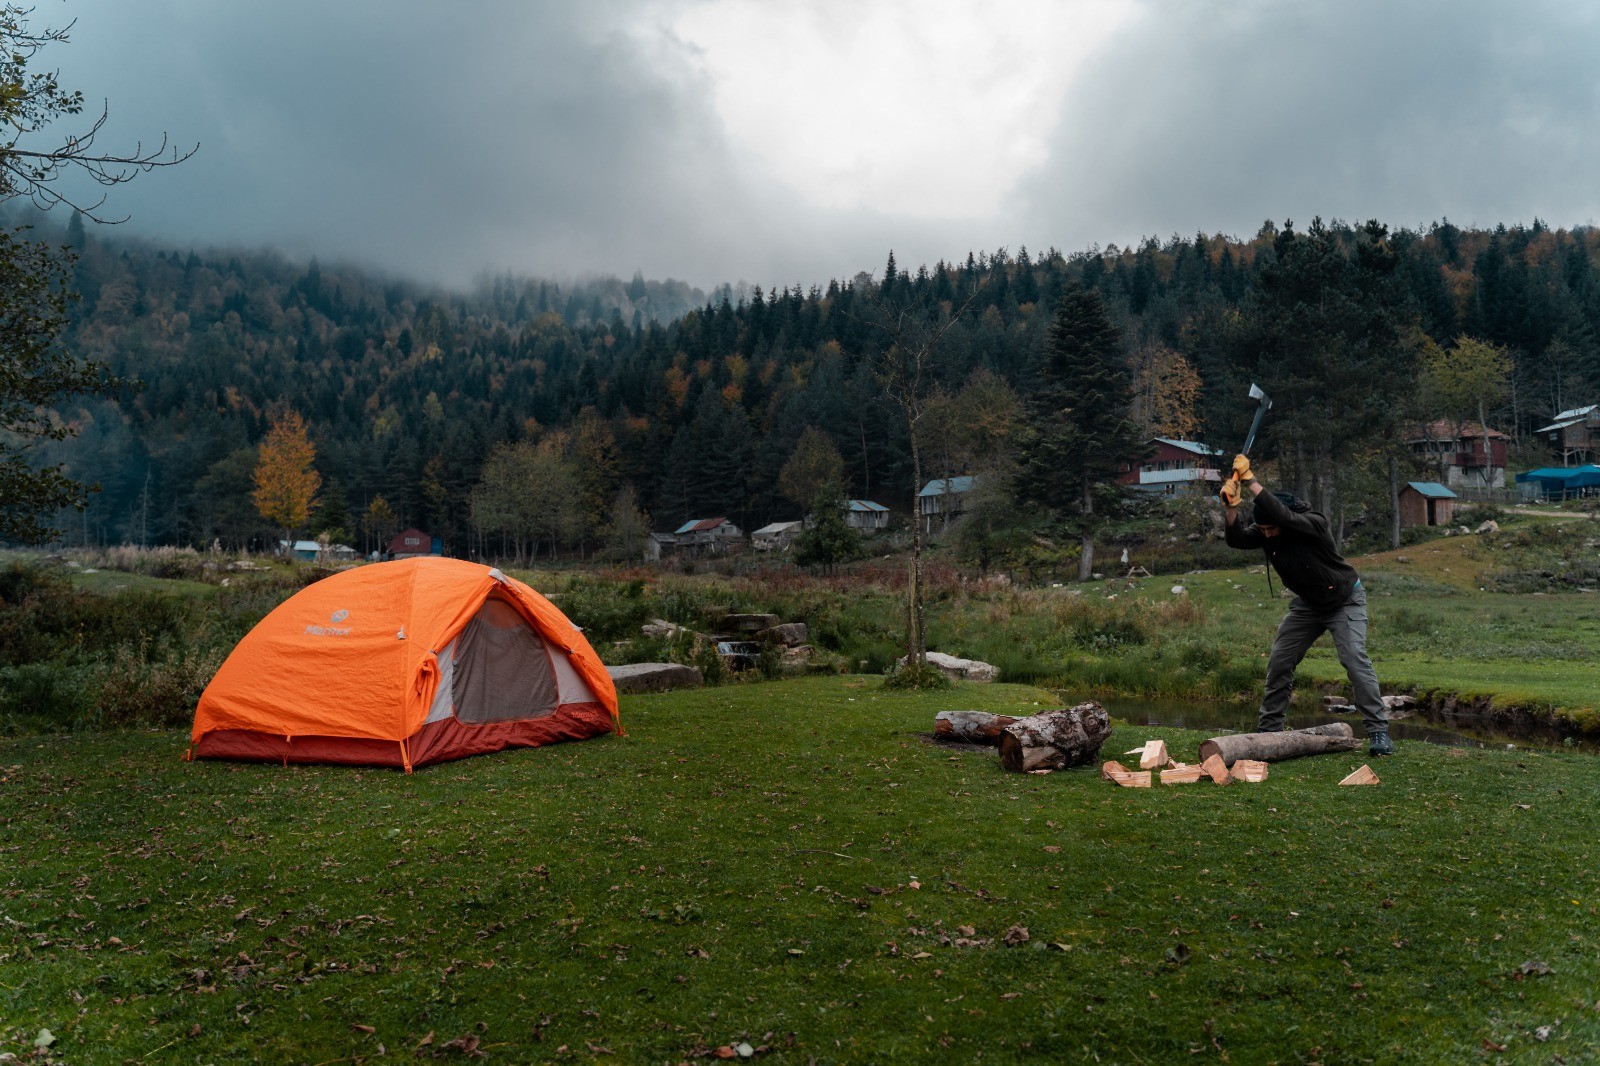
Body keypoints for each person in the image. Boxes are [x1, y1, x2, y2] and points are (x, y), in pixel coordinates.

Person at [1220, 454, 1392, 756]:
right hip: (1308, 605)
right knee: (1280, 661)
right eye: (1263, 530)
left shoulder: (1313, 524)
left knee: (1354, 659)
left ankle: (1378, 731)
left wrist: (1250, 481)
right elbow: (1235, 540)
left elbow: (1284, 518)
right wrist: (1231, 509)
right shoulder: (1267, 532)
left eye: (1271, 529)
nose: (1267, 534)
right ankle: (1269, 731)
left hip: (1344, 599)